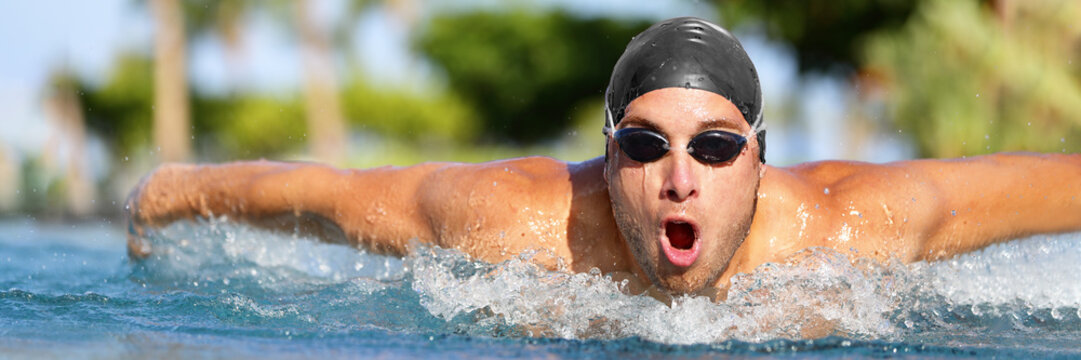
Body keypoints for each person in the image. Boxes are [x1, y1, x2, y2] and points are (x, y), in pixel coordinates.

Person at [125, 17, 1081, 300]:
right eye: (643, 145)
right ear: (605, 151)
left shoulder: (852, 225)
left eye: (713, 147)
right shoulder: (517, 222)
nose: (679, 178)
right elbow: (329, 197)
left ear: (758, 156)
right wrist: (169, 192)